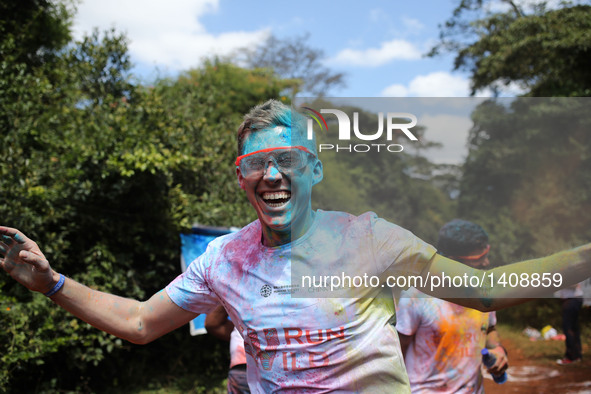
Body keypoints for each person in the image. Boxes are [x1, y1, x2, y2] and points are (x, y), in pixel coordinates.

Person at [1, 99, 590, 392]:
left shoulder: (370, 238)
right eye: (258, 163)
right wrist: (51, 282)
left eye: (287, 160)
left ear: (312, 171)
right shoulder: (224, 260)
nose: (273, 174)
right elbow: (136, 321)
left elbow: (484, 288)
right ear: (242, 178)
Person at [396, 219, 508, 393]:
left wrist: (497, 349)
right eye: (479, 258)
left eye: (486, 255)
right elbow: (397, 354)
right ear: (452, 263)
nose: (486, 263)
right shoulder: (416, 297)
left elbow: (489, 328)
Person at [205, 305, 250, 394]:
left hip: (242, 369)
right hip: (244, 368)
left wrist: (226, 294)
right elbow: (213, 324)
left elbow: (213, 323)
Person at [555, 283, 584, 365]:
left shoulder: (568, 270)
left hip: (572, 300)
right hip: (573, 300)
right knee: (574, 328)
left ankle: (571, 357)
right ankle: (577, 356)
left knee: (568, 328)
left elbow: (574, 284)